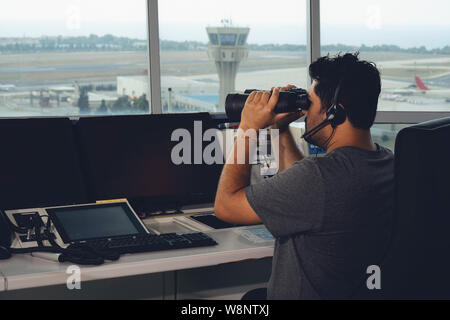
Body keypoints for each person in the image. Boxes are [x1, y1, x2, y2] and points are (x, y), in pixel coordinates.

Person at [214, 53, 395, 300]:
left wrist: (247, 128)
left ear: (335, 113)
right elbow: (305, 197)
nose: (305, 113)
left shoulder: (319, 178)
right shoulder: (389, 163)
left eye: (309, 103)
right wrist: (280, 129)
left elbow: (226, 206)